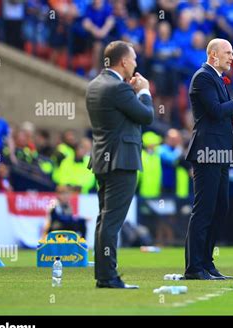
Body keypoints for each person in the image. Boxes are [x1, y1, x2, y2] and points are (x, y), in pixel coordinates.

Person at [184, 38, 233, 280]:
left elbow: (226, 113)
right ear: (213, 55)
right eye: (227, 52)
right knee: (205, 208)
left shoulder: (215, 78)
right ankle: (194, 267)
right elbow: (217, 111)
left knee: (220, 208)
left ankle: (207, 264)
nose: (232, 56)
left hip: (220, 152)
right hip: (207, 151)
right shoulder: (202, 77)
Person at [86, 40, 154, 289]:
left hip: (102, 160)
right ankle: (108, 277)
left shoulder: (95, 85)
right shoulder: (118, 88)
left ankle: (103, 274)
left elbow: (120, 117)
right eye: (134, 59)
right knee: (112, 222)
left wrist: (132, 93)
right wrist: (144, 91)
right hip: (121, 161)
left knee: (104, 220)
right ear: (124, 61)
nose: (136, 63)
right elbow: (147, 116)